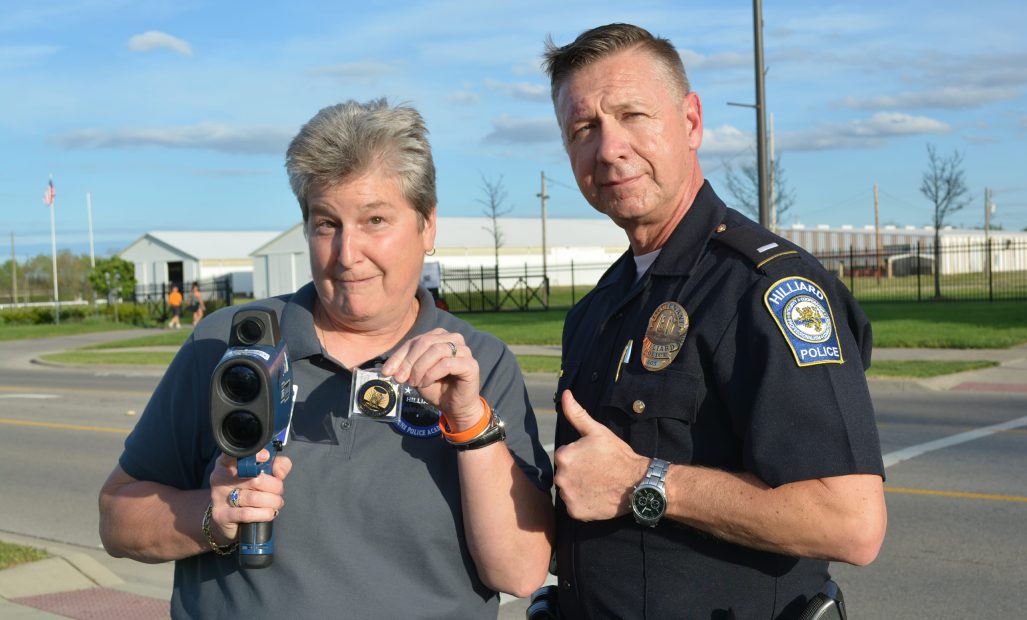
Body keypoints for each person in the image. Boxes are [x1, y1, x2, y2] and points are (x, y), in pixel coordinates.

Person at [98, 99, 554, 619]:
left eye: (375, 220)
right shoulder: (230, 344)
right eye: (326, 224)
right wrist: (211, 516)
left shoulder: (479, 363)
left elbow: (520, 572)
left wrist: (469, 420)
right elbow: (116, 517)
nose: (347, 254)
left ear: (427, 225)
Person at [542, 24, 887, 619]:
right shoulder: (598, 309)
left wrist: (644, 482)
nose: (609, 148)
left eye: (633, 115)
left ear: (692, 122)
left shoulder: (765, 289)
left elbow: (850, 521)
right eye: (583, 129)